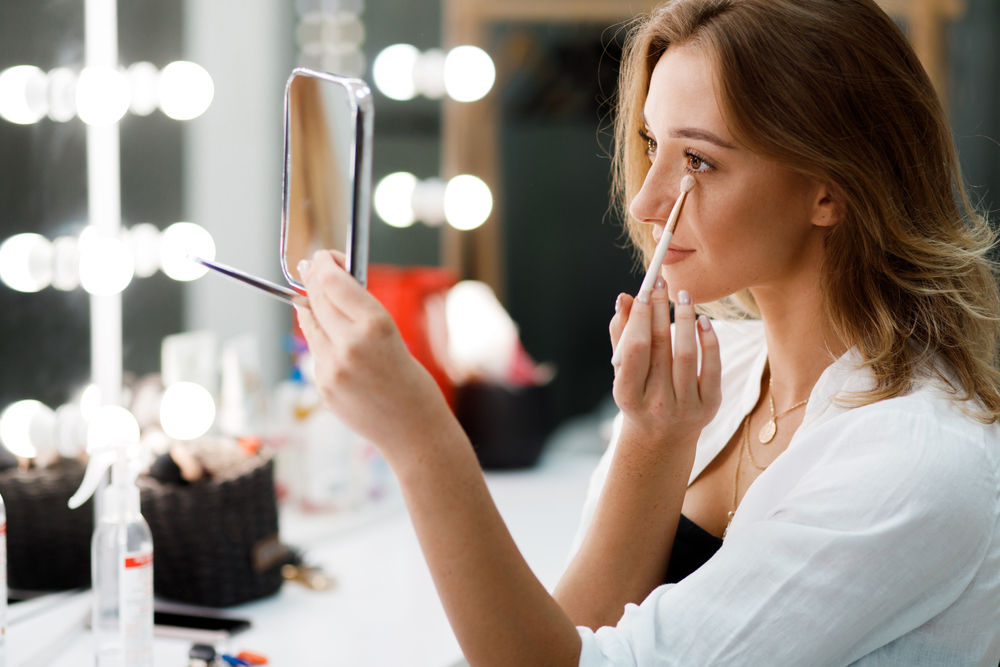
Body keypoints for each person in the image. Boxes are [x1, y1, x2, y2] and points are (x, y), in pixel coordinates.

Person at [294, 0, 1000, 664]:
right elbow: (571, 635)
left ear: (829, 189)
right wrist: (653, 439)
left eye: (698, 161)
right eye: (651, 144)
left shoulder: (914, 464)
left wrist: (422, 437)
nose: (645, 199)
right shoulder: (712, 380)